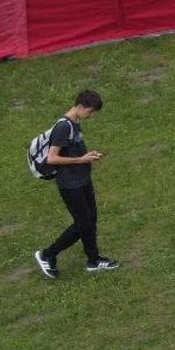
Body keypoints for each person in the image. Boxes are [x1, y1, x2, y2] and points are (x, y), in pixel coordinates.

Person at [33, 90, 115, 278]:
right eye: (90, 111)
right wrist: (81, 159)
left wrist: (87, 156)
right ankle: (47, 255)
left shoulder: (75, 123)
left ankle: (94, 260)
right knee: (82, 223)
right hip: (70, 184)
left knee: (91, 219)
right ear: (80, 107)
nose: (91, 115)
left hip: (82, 180)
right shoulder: (63, 127)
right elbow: (52, 158)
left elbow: (73, 151)